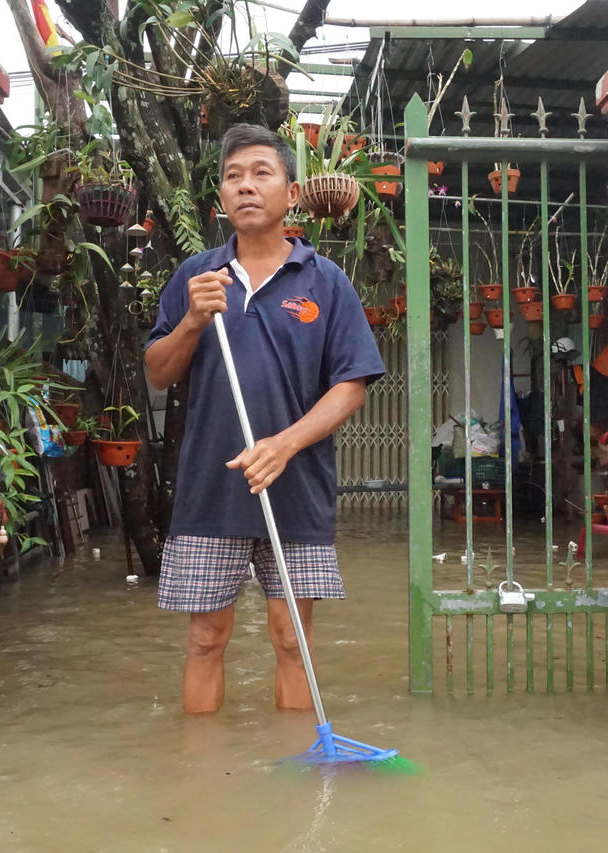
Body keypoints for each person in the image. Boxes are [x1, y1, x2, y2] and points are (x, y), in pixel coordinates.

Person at [144, 123, 385, 714]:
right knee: (205, 639)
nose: (245, 186)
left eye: (261, 174)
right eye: (233, 177)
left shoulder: (325, 281)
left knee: (292, 640)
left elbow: (351, 385)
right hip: (210, 488)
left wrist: (283, 445)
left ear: (292, 194)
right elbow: (158, 372)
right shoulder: (198, 278)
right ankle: (200, 768)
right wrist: (192, 321)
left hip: (296, 488)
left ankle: (297, 765)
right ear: (220, 197)